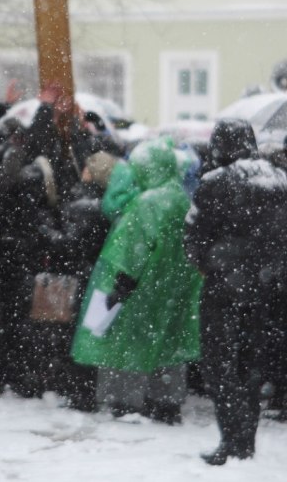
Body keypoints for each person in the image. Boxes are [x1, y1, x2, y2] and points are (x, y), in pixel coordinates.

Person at [72, 137, 202, 424]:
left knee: (129, 345)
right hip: (173, 288)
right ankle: (166, 403)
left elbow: (133, 250)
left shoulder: (147, 203)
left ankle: (126, 404)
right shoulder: (181, 198)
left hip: (142, 290)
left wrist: (120, 286)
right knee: (168, 345)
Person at [183, 118, 287, 465]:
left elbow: (195, 234)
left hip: (225, 286)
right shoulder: (279, 180)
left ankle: (233, 439)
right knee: (252, 364)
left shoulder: (215, 182)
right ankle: (247, 439)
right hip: (268, 286)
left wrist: (207, 264)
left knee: (220, 364)